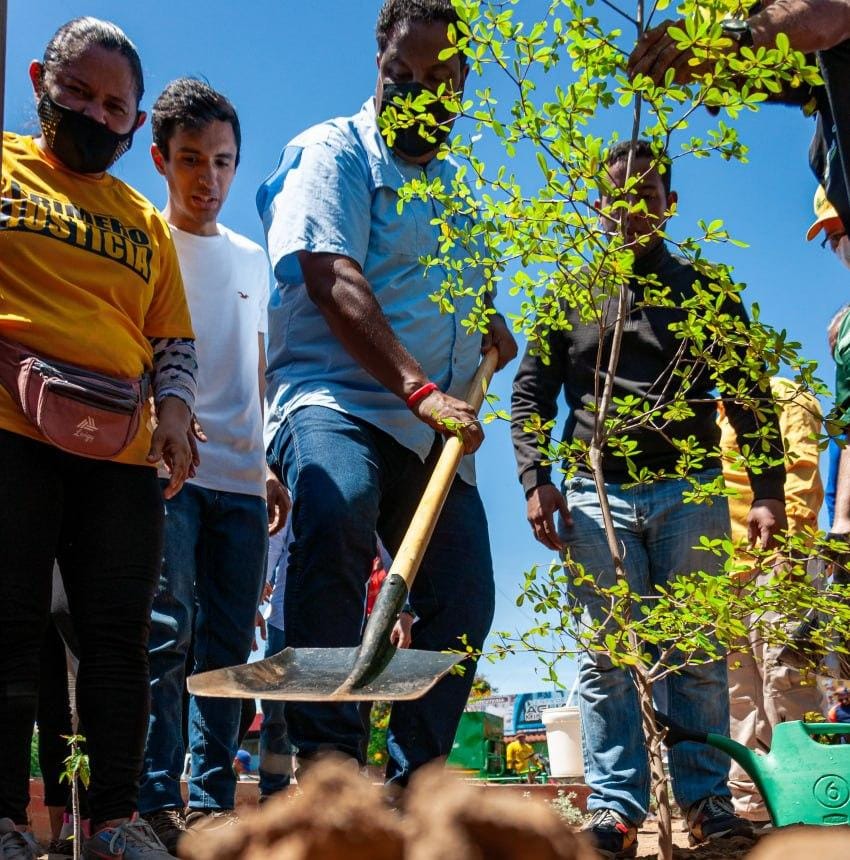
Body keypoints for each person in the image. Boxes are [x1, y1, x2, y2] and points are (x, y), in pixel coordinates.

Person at [257, 0, 517, 787]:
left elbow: (456, 296)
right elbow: (331, 275)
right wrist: (419, 387)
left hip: (430, 431)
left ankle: (414, 785)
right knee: (337, 505)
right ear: (378, 65)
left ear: (462, 82)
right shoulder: (333, 152)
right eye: (401, 72)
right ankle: (327, 765)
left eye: (437, 78)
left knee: (464, 596)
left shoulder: (460, 194)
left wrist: (487, 327)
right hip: (337, 400)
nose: (416, 90)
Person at [511, 139, 786, 859]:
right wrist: (537, 479)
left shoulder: (705, 291)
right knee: (605, 655)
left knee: (695, 650)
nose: (634, 207)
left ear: (671, 204)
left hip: (690, 490)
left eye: (649, 194)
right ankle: (615, 810)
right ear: (599, 206)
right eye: (620, 195)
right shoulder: (571, 292)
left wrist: (768, 492)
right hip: (594, 493)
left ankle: (706, 803)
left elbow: (749, 394)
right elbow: (531, 394)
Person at [0, 16, 196, 860]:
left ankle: (114, 819)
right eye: (77, 93)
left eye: (115, 107)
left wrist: (176, 414)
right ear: (40, 81)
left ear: (135, 120)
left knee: (120, 639)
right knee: (8, 625)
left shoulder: (143, 220)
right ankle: (6, 821)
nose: (94, 114)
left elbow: (171, 340)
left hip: (117, 449)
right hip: (10, 427)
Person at [138, 79, 288, 854]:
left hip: (241, 482)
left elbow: (256, 369)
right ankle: (154, 800)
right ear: (161, 159)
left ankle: (211, 804)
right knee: (166, 636)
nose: (209, 177)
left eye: (224, 161)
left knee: (231, 652)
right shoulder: (145, 241)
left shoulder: (253, 258)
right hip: (168, 473)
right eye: (192, 159)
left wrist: (266, 464)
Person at [628, 1, 850, 239]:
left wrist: (734, 39)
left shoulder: (835, 40)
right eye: (729, 77)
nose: (744, 75)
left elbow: (834, 11)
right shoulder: (822, 153)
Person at [719, 377, 824, 825]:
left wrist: (792, 549)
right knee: (738, 698)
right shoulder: (704, 411)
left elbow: (801, 468)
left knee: (787, 683)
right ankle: (752, 810)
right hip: (721, 570)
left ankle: (809, 801)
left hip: (777, 560)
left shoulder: (784, 392)